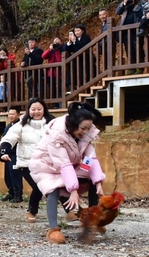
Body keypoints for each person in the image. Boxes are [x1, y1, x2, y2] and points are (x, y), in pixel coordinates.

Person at [29, 102, 105, 244]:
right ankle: (53, 229)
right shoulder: (57, 135)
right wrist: (73, 190)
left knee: (92, 179)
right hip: (47, 164)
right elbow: (63, 163)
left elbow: (91, 158)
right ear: (74, 124)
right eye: (83, 128)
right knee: (54, 187)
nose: (85, 132)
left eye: (88, 129)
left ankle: (92, 219)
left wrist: (98, 182)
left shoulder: (85, 134)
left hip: (71, 164)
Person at [0, 98, 55, 223]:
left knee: (56, 186)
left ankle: (72, 212)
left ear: (44, 110)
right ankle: (31, 211)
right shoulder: (21, 125)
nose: (36, 112)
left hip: (47, 163)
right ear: (28, 110)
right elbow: (10, 138)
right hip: (27, 163)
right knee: (38, 186)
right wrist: (4, 150)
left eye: (39, 109)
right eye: (33, 109)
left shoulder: (52, 124)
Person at [116, 0, 145, 64]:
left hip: (137, 31)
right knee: (129, 50)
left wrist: (135, 5)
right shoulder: (126, 5)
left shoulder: (142, 4)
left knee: (138, 48)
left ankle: (140, 68)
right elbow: (118, 12)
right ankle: (132, 67)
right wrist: (124, 4)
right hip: (126, 32)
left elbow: (143, 14)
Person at [0, 107, 23, 203]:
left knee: (15, 175)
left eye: (13, 114)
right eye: (9, 114)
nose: (11, 116)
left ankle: (18, 195)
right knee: (8, 175)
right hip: (8, 154)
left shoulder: (20, 126)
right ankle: (11, 193)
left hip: (16, 154)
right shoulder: (8, 127)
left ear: (18, 114)